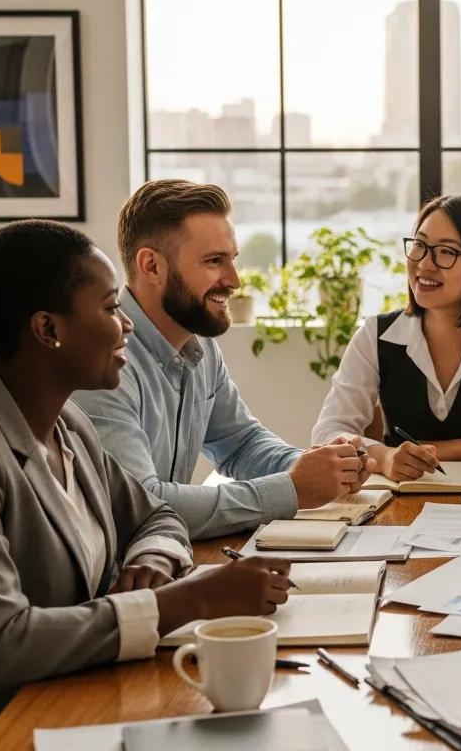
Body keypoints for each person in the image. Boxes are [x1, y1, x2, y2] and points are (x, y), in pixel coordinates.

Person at [0, 220, 290, 723]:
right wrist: (186, 601)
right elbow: (1, 642)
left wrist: (153, 556)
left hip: (86, 695)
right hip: (13, 728)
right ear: (48, 329)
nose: (126, 324)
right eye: (109, 308)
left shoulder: (68, 424)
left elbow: (156, 516)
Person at [76, 180, 374, 539]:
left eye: (232, 259)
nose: (233, 280)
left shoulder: (197, 339)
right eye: (214, 261)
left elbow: (239, 441)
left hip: (163, 555)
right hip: (116, 575)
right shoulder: (101, 359)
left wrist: (319, 468)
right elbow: (142, 503)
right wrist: (292, 489)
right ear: (151, 266)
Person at [311, 195, 461, 480]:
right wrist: (385, 456)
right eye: (419, 245)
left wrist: (449, 451)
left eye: (446, 252)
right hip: (403, 501)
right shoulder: (375, 335)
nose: (424, 264)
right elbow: (327, 433)